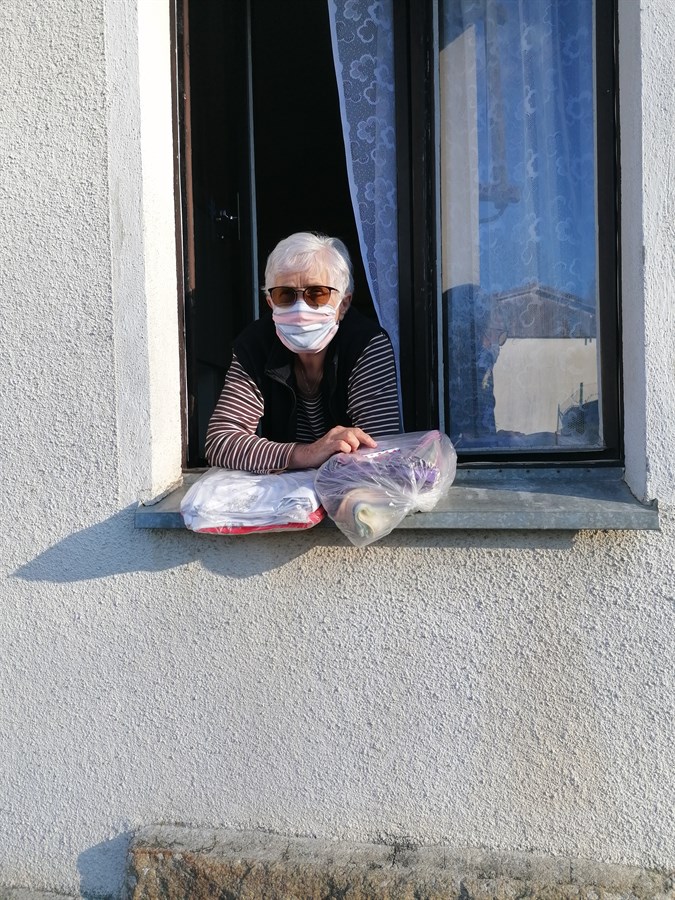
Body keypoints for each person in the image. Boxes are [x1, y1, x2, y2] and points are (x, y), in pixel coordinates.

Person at [205, 232, 401, 473]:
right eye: (285, 294)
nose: (300, 308)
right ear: (270, 303)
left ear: (343, 304)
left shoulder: (366, 344)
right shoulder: (254, 345)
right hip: (282, 490)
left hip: (347, 486)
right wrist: (307, 453)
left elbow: (379, 450)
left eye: (317, 293)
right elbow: (221, 441)